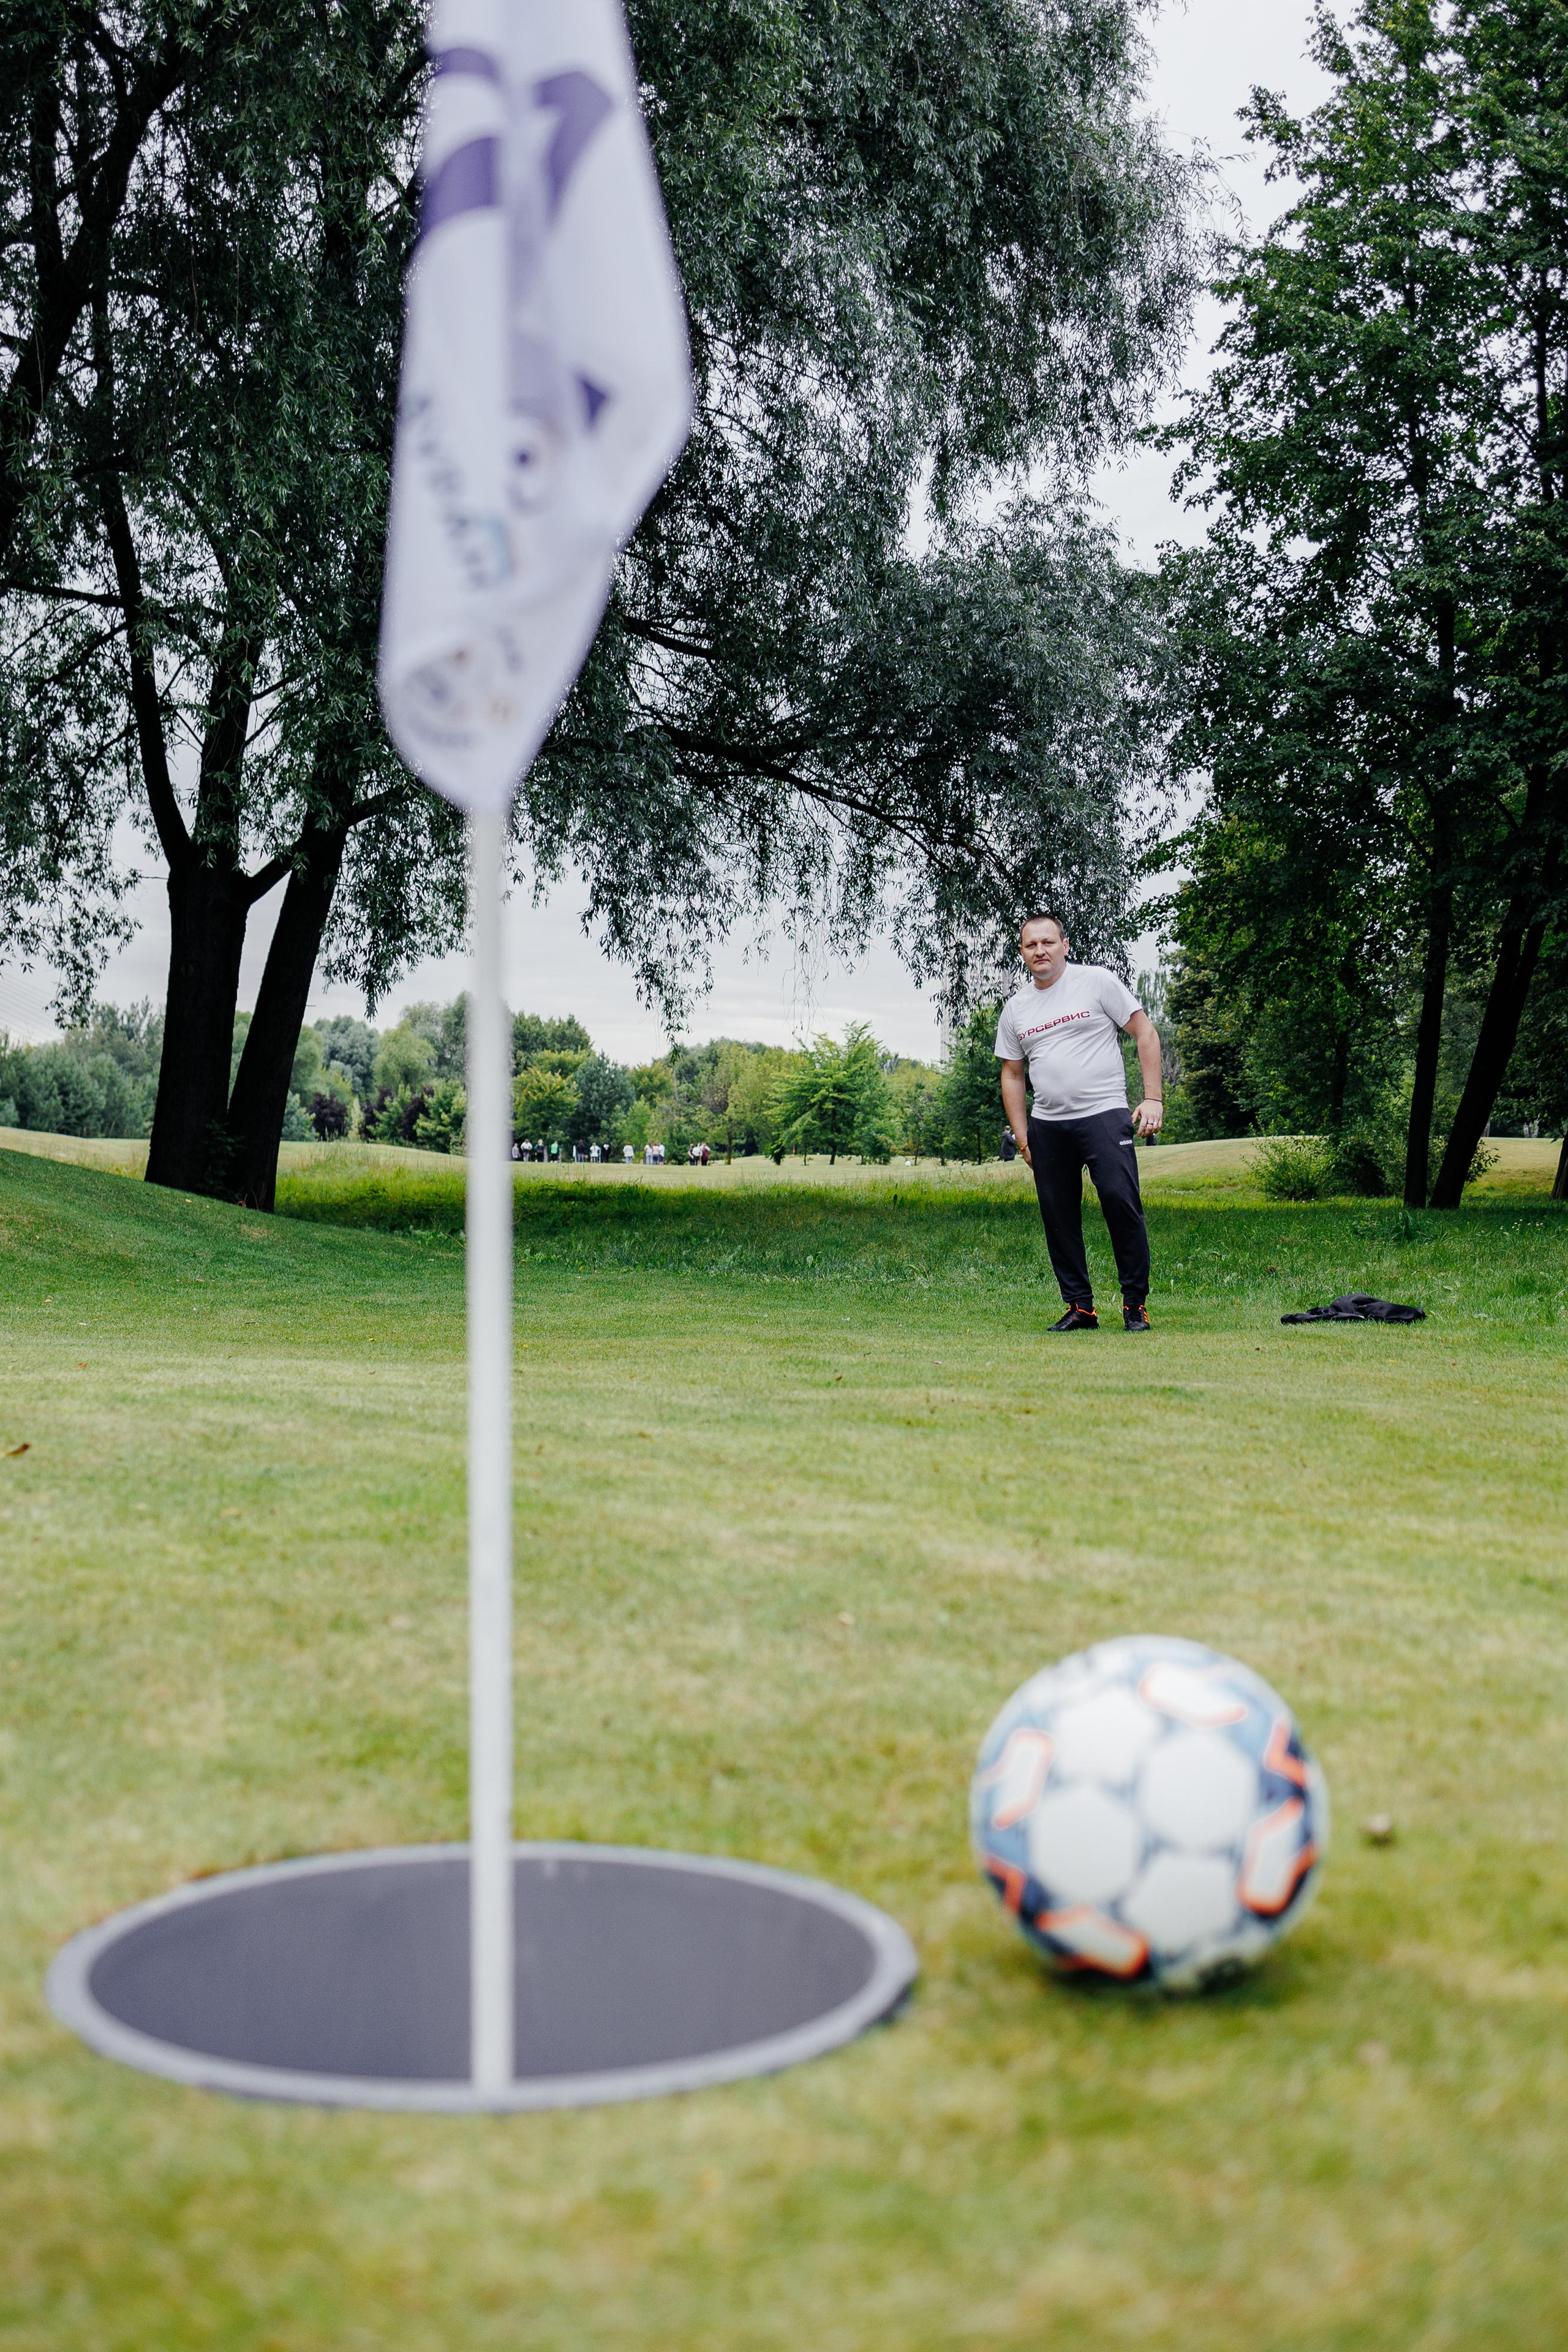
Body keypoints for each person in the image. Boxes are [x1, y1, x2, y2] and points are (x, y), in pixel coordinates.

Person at [995, 909, 1163, 1333]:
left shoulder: (1097, 982)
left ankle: (1135, 1305)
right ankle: (1080, 1307)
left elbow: (1145, 1033)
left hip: (1104, 1114)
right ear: (1022, 953)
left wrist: (1153, 1098)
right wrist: (1023, 1136)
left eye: (1048, 942)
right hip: (1048, 1125)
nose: (1040, 950)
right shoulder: (1016, 1009)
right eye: (1031, 945)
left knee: (1120, 1203)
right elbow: (1013, 1074)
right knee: (1059, 1216)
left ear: (1065, 946)